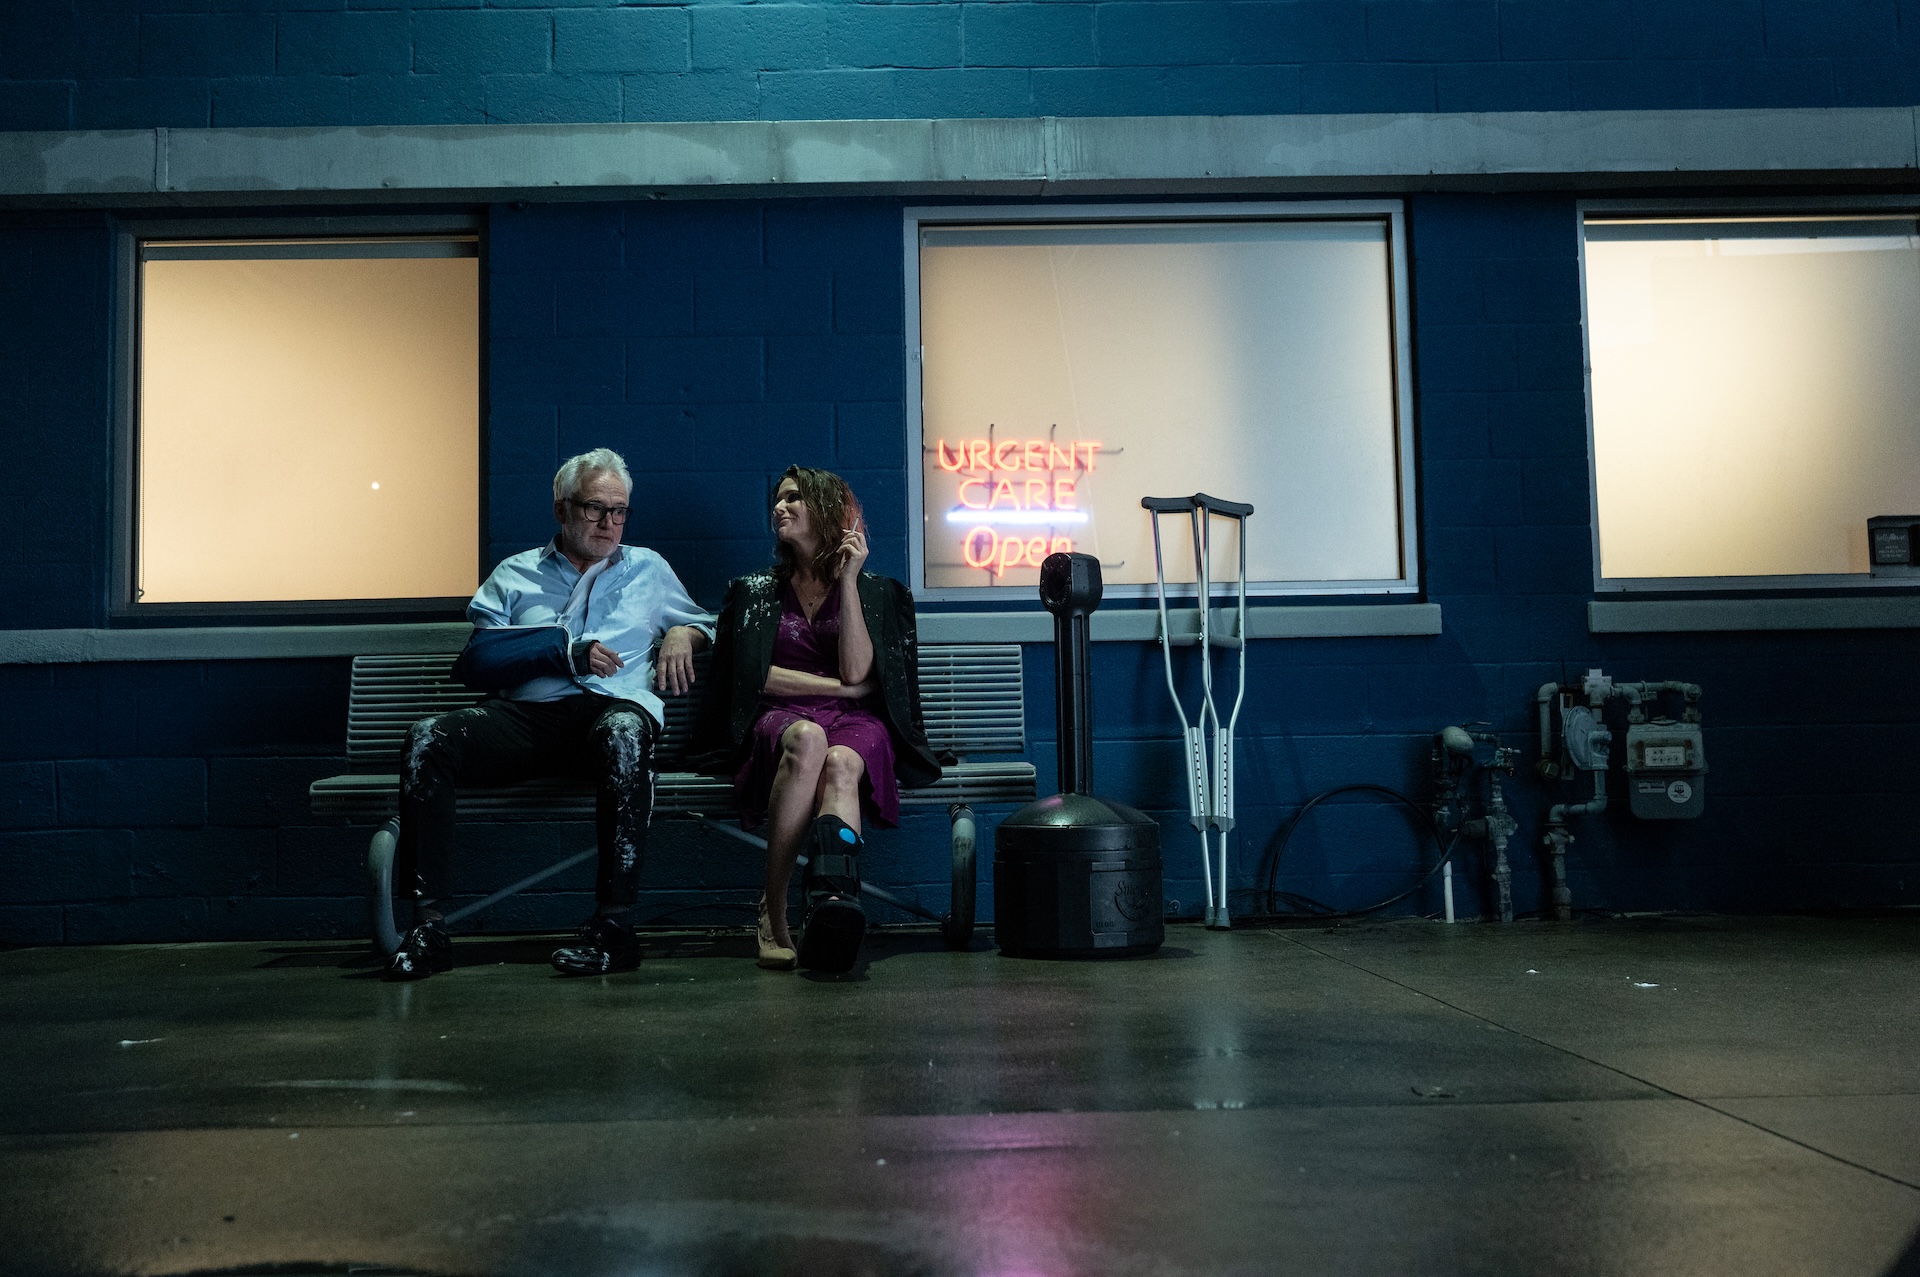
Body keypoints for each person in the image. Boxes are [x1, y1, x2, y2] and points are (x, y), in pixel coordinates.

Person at [386, 448, 714, 981]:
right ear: (561, 510)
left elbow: (709, 623)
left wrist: (684, 630)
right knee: (429, 738)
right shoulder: (516, 573)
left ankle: (614, 928)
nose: (609, 523)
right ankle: (428, 929)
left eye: (619, 511)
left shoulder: (647, 570)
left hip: (609, 722)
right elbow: (479, 660)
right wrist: (562, 650)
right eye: (594, 509)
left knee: (627, 731)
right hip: (527, 723)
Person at [692, 466, 940, 973]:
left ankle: (831, 903)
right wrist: (846, 688)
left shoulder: (877, 592)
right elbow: (755, 678)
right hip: (780, 723)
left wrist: (847, 580)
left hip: (854, 724)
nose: (779, 508)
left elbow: (856, 665)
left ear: (827, 512)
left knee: (843, 763)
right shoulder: (753, 592)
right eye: (778, 500)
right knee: (808, 740)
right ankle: (775, 909)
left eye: (794, 499)